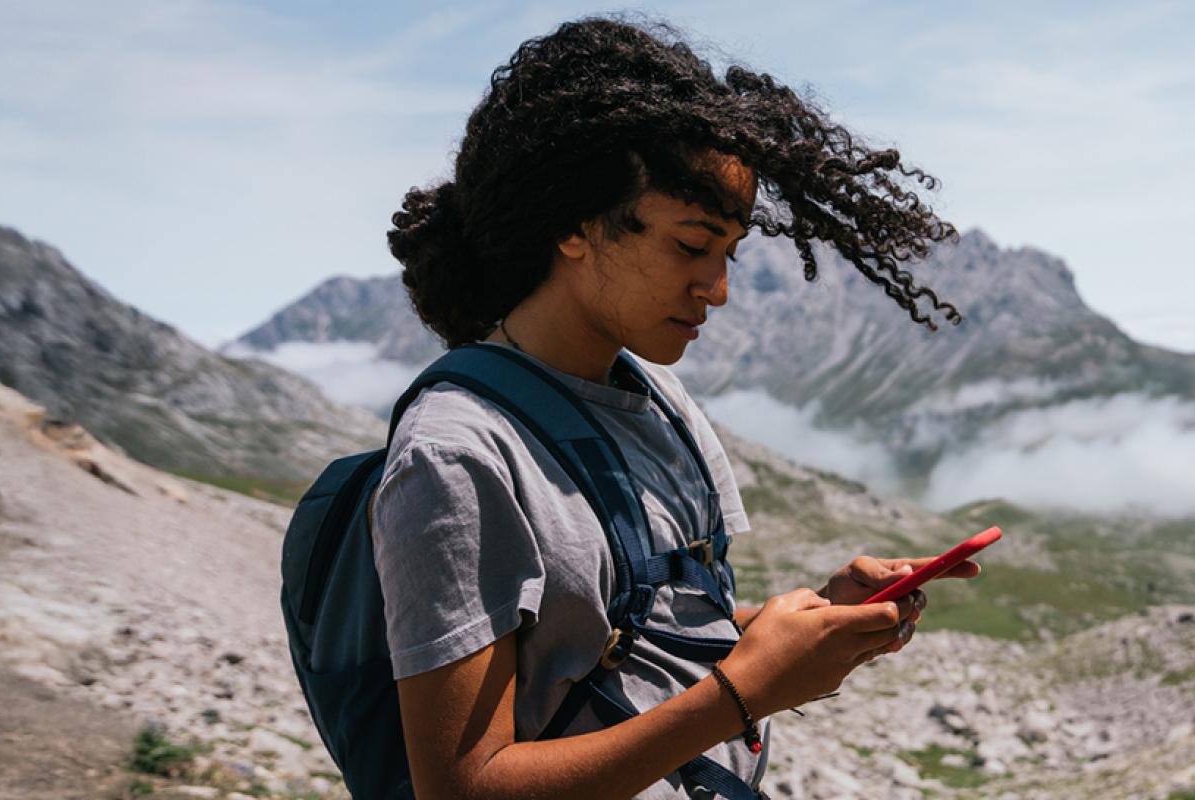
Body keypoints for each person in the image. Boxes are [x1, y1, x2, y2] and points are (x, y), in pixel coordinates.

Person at [376, 15, 974, 799]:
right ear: (573, 225)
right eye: (692, 247)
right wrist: (744, 694)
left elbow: (647, 640)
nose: (717, 290)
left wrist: (815, 621)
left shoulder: (663, 400)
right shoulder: (457, 455)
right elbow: (464, 788)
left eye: (728, 254)